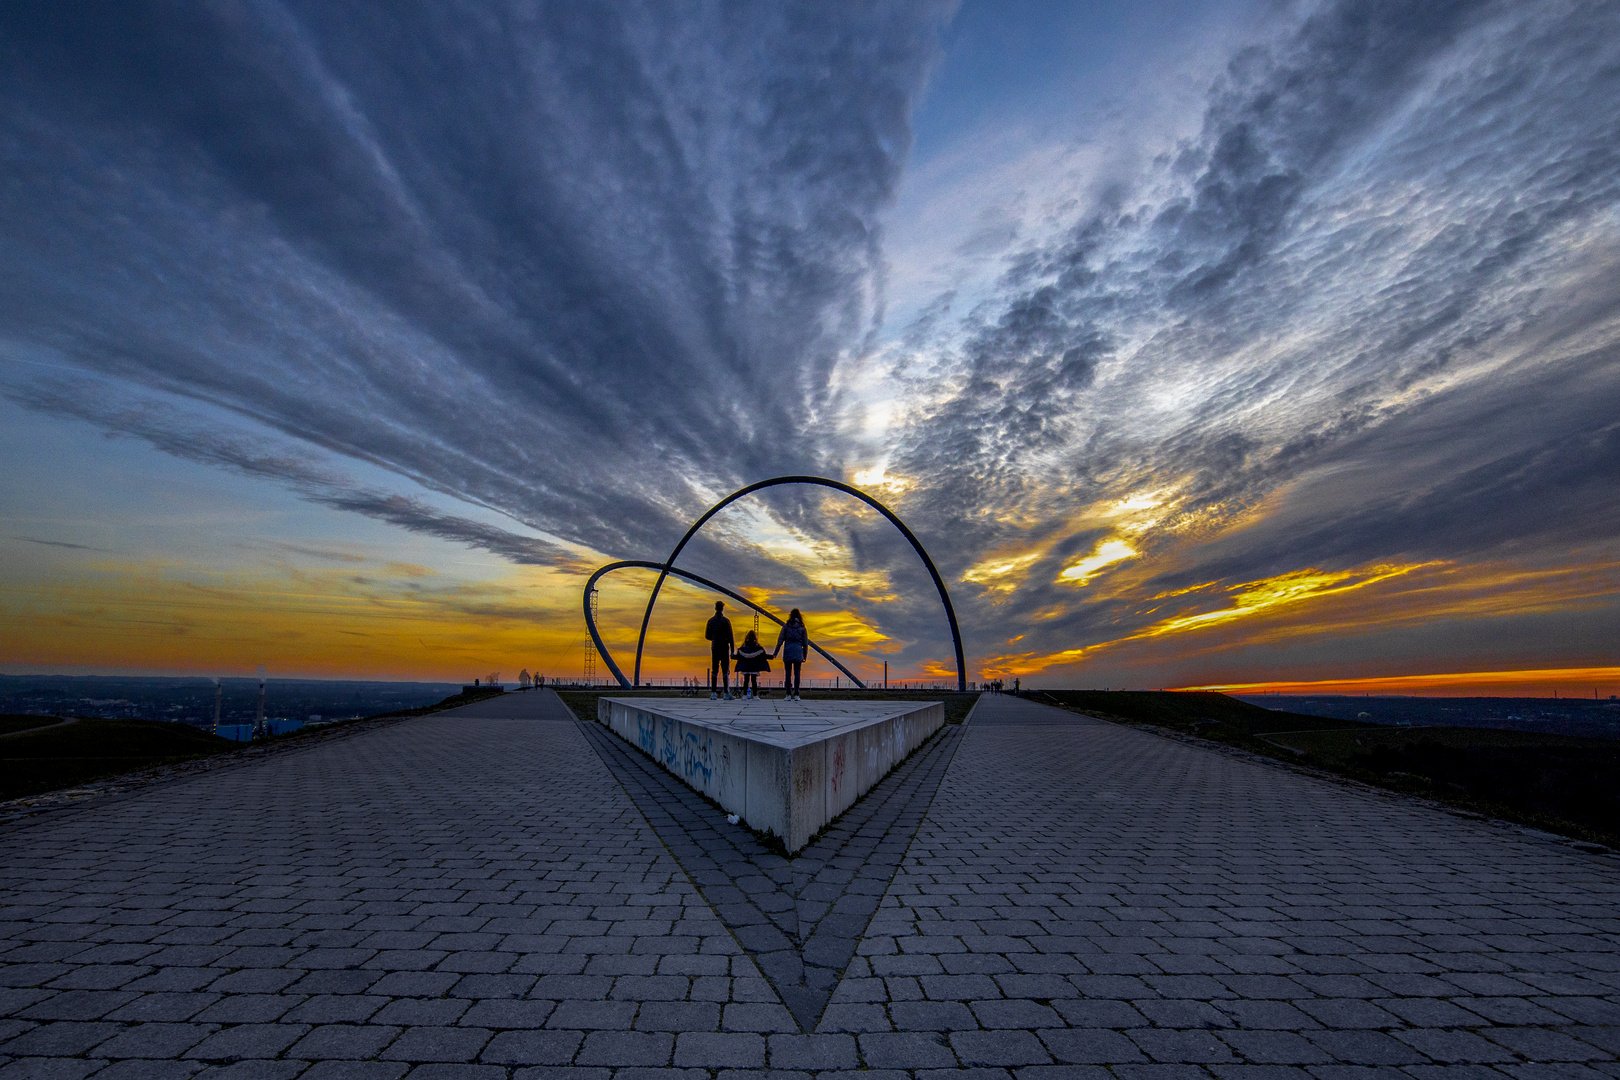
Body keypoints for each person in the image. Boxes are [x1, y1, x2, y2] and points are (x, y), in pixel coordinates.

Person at [773, 608, 809, 701]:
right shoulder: (802, 627)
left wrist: (775, 653)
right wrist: (804, 656)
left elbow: (780, 640)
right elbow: (805, 643)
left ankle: (788, 694)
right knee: (797, 674)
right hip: (798, 652)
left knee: (787, 674)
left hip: (788, 651)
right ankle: (796, 694)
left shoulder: (786, 626)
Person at [705, 600, 735, 699]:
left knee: (714, 669)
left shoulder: (710, 621)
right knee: (725, 670)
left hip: (715, 647)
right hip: (724, 647)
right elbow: (730, 636)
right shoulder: (726, 621)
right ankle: (726, 693)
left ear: (715, 608)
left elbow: (707, 636)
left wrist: (714, 638)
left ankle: (713, 693)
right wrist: (732, 649)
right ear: (722, 608)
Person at [733, 630, 771, 699]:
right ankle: (755, 695)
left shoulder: (743, 648)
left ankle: (744, 695)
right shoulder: (758, 648)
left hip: (745, 666)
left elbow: (738, 656)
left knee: (746, 680)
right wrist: (772, 656)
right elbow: (763, 656)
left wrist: (732, 656)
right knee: (754, 680)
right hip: (754, 666)